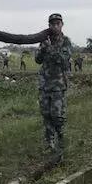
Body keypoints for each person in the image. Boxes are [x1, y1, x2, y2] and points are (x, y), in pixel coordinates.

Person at [35, 13, 71, 155]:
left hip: (58, 84)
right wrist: (43, 48)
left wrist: (50, 48)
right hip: (44, 84)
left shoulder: (66, 41)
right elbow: (38, 60)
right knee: (46, 114)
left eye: (58, 23)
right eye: (52, 24)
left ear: (62, 25)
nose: (55, 26)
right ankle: (49, 142)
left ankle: (61, 138)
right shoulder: (44, 40)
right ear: (49, 26)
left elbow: (63, 60)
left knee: (57, 115)